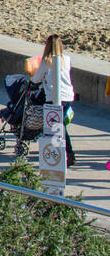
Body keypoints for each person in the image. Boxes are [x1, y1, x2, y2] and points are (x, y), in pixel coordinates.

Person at [34, 35, 76, 165]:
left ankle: (68, 153)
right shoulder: (67, 59)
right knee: (60, 124)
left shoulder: (46, 61)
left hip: (54, 97)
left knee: (57, 126)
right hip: (68, 96)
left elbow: (36, 79)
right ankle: (65, 152)